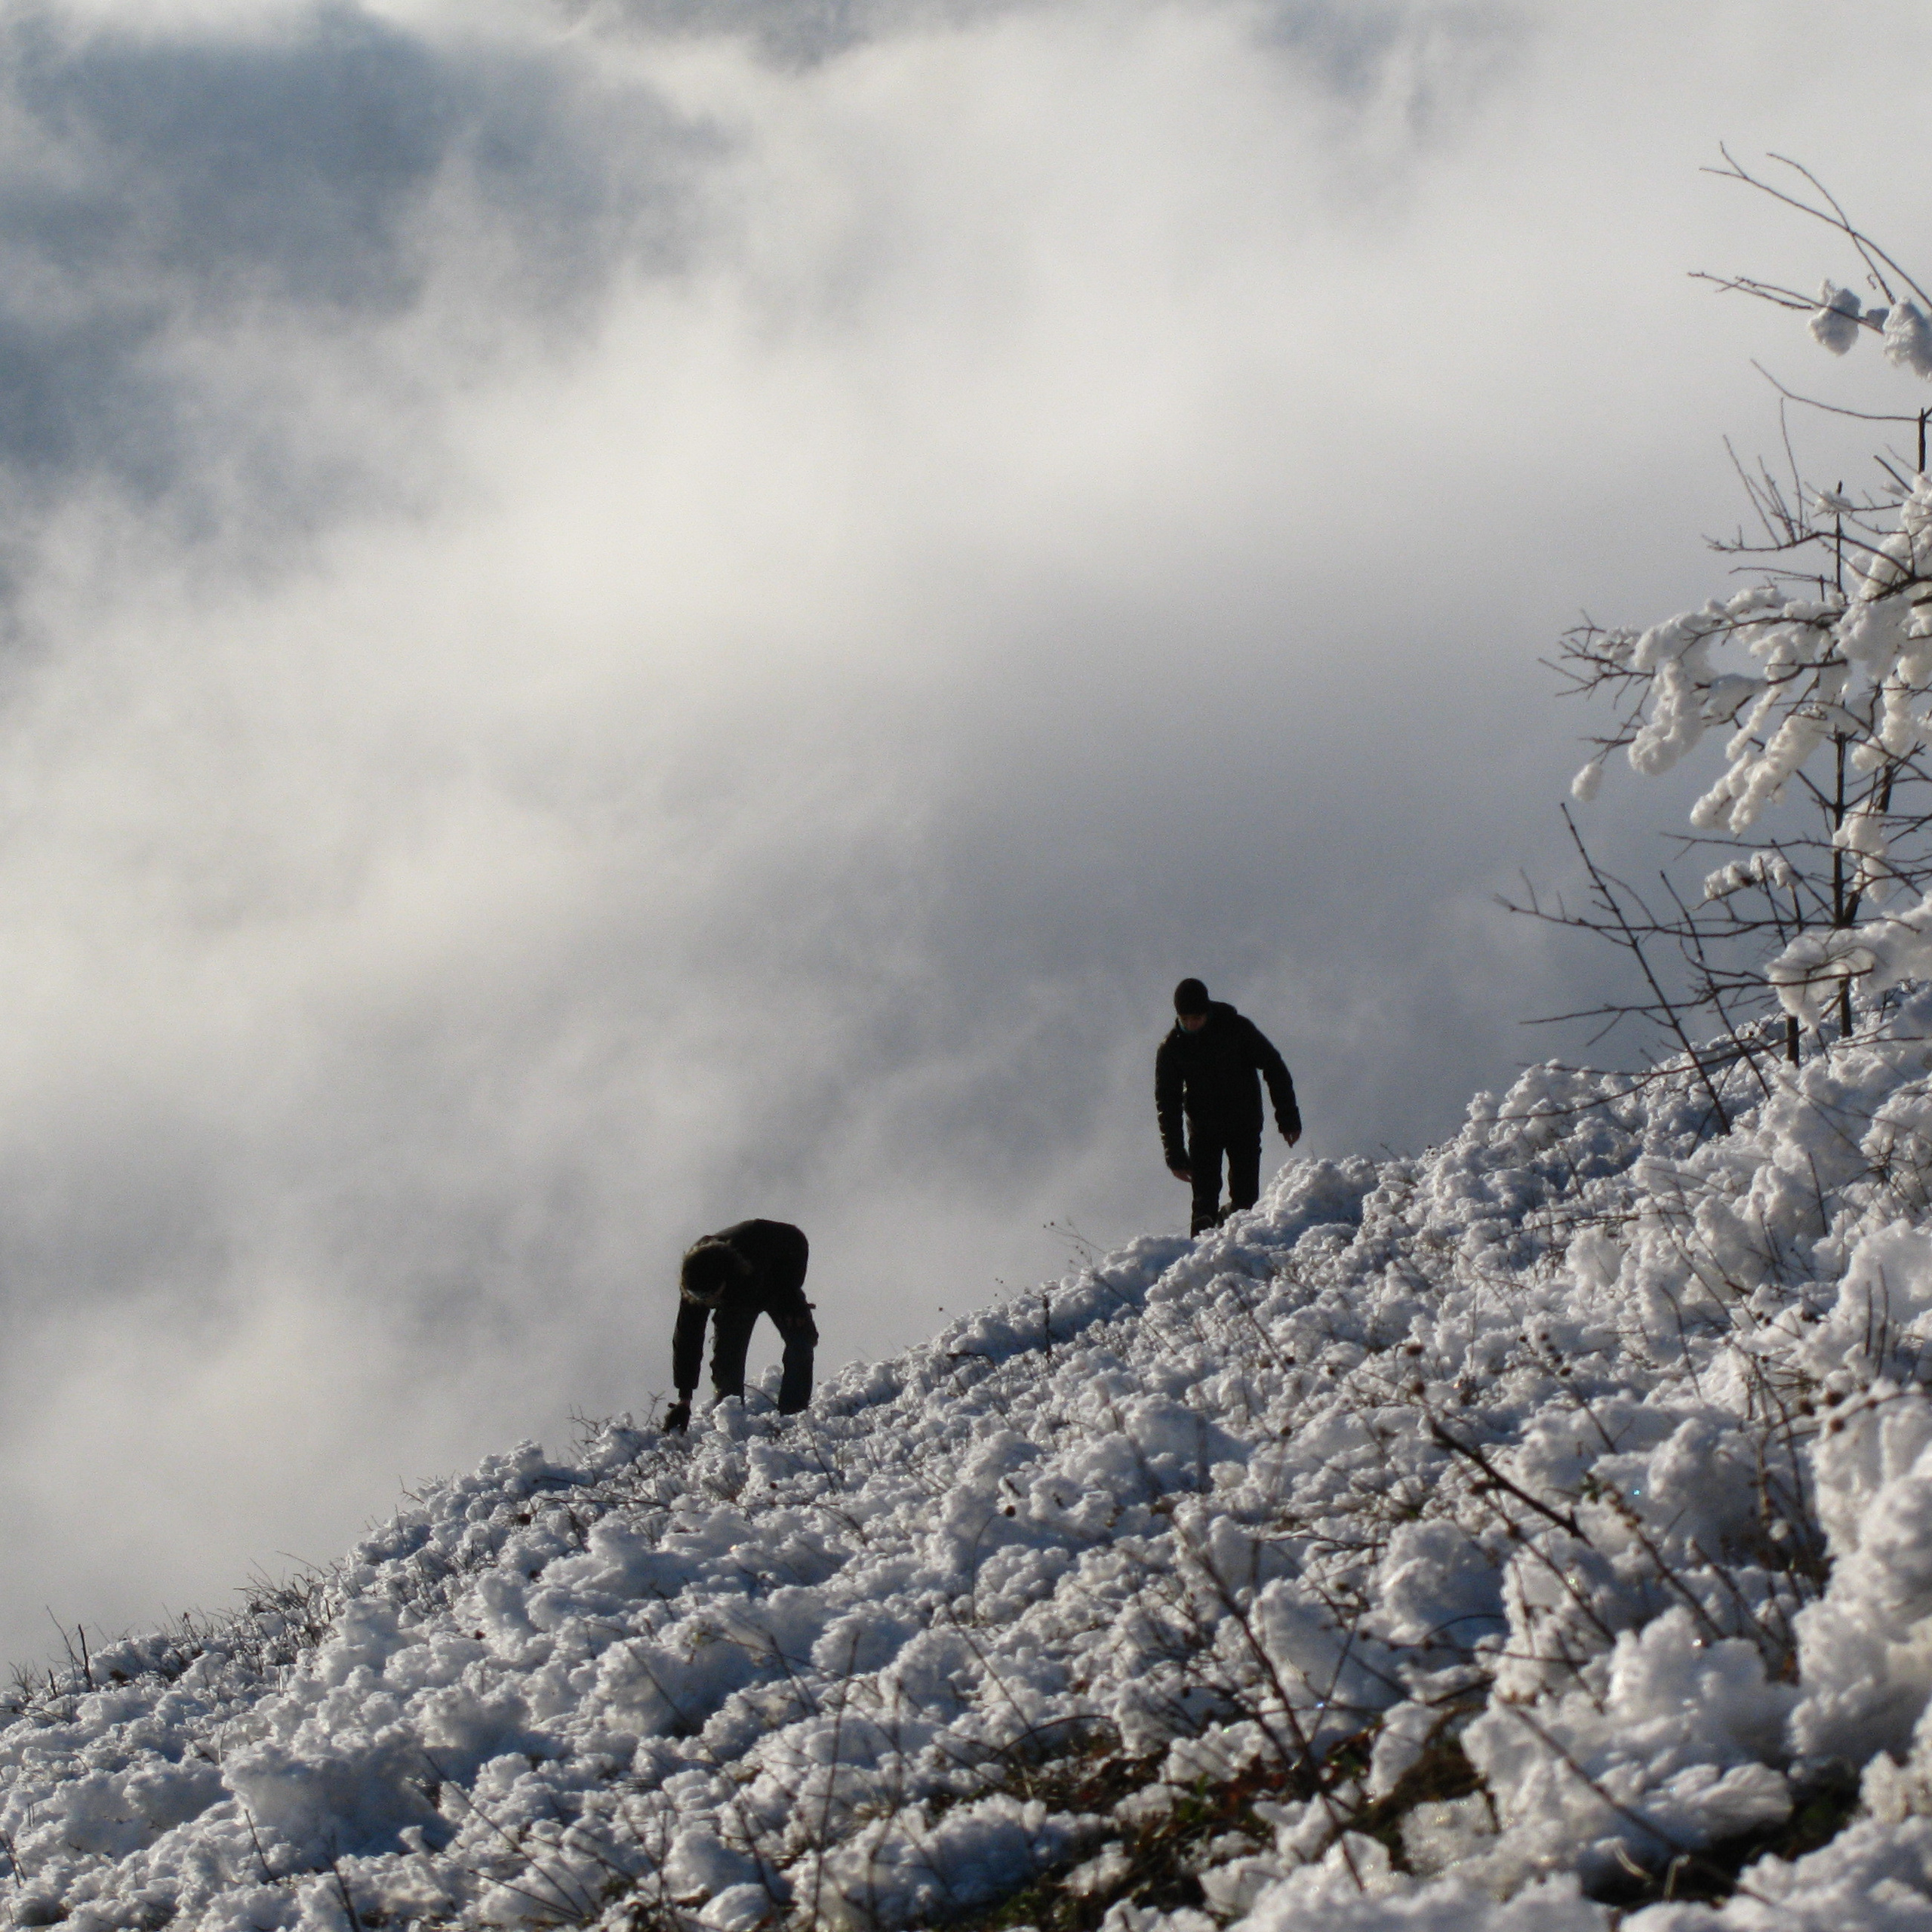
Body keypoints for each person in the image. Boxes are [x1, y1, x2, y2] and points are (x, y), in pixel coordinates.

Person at [1156, 978, 1301, 1236]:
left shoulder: (1237, 1029)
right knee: (1203, 1206)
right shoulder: (1172, 1049)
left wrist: (1288, 1118)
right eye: (1185, 1018)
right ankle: (1199, 1262)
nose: (1191, 1024)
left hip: (1244, 1124)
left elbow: (1273, 1066)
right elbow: (1168, 1102)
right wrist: (1175, 1154)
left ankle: (1238, 1250)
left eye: (1197, 1017)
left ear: (1208, 1012)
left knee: (1246, 1203)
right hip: (1203, 1132)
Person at [663, 1219, 817, 1431]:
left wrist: (791, 1295)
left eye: (710, 1296)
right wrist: (684, 1398)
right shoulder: (694, 1282)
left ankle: (793, 1417)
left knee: (801, 1341)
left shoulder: (754, 1246)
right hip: (736, 1302)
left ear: (724, 1281)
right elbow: (687, 1337)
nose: (706, 1302)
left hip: (775, 1281)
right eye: (701, 1298)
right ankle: (731, 1422)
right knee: (727, 1361)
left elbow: (796, 1241)